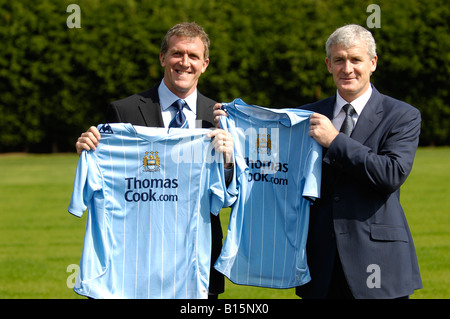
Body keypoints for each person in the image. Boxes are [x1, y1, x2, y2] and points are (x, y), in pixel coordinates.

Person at [214, 24, 422, 299]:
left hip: (377, 261)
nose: (347, 68)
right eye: (339, 60)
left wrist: (335, 140)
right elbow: (269, 166)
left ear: (373, 63)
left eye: (355, 60)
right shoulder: (304, 116)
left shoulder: (402, 115)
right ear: (328, 64)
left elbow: (391, 174)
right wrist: (234, 132)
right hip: (320, 262)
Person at [75, 22, 233, 299]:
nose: (184, 62)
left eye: (193, 56)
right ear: (163, 58)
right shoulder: (123, 111)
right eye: (177, 54)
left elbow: (231, 194)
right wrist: (89, 151)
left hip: (197, 259)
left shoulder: (220, 117)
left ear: (205, 64)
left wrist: (229, 161)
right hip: (135, 256)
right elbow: (115, 179)